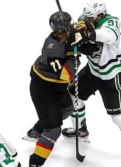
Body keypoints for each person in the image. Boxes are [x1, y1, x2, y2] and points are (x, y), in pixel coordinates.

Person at [62, 0, 121, 166]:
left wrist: (88, 35)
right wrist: (72, 35)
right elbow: (75, 33)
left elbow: (109, 35)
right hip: (93, 70)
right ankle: (81, 129)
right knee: (73, 93)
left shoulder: (112, 22)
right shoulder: (84, 20)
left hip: (111, 76)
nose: (86, 20)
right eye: (85, 17)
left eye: (90, 18)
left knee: (119, 117)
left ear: (100, 15)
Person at [26, 11, 83, 167]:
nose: (69, 29)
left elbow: (78, 33)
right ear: (58, 31)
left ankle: (38, 128)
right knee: (53, 131)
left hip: (55, 86)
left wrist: (85, 39)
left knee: (67, 108)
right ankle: (35, 163)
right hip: (43, 89)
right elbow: (67, 75)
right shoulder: (52, 48)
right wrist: (73, 54)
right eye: (65, 29)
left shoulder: (67, 33)